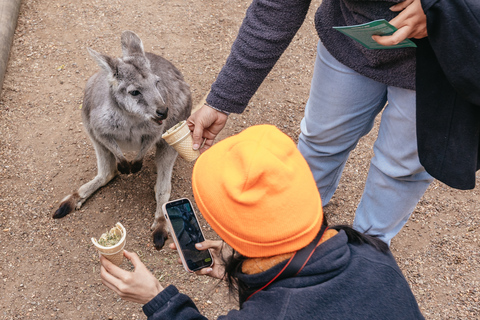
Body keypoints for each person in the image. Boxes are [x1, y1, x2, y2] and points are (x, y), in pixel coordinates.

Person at [99, 125, 425, 319]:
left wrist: (156, 297)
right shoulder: (372, 254)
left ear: (236, 235)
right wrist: (241, 269)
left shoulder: (275, 312)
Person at [186, 0, 433, 245]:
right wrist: (221, 100)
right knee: (320, 140)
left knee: (401, 168)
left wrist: (445, 9)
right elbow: (276, 6)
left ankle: (369, 251)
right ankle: (296, 233)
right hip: (352, 35)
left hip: (439, 53)